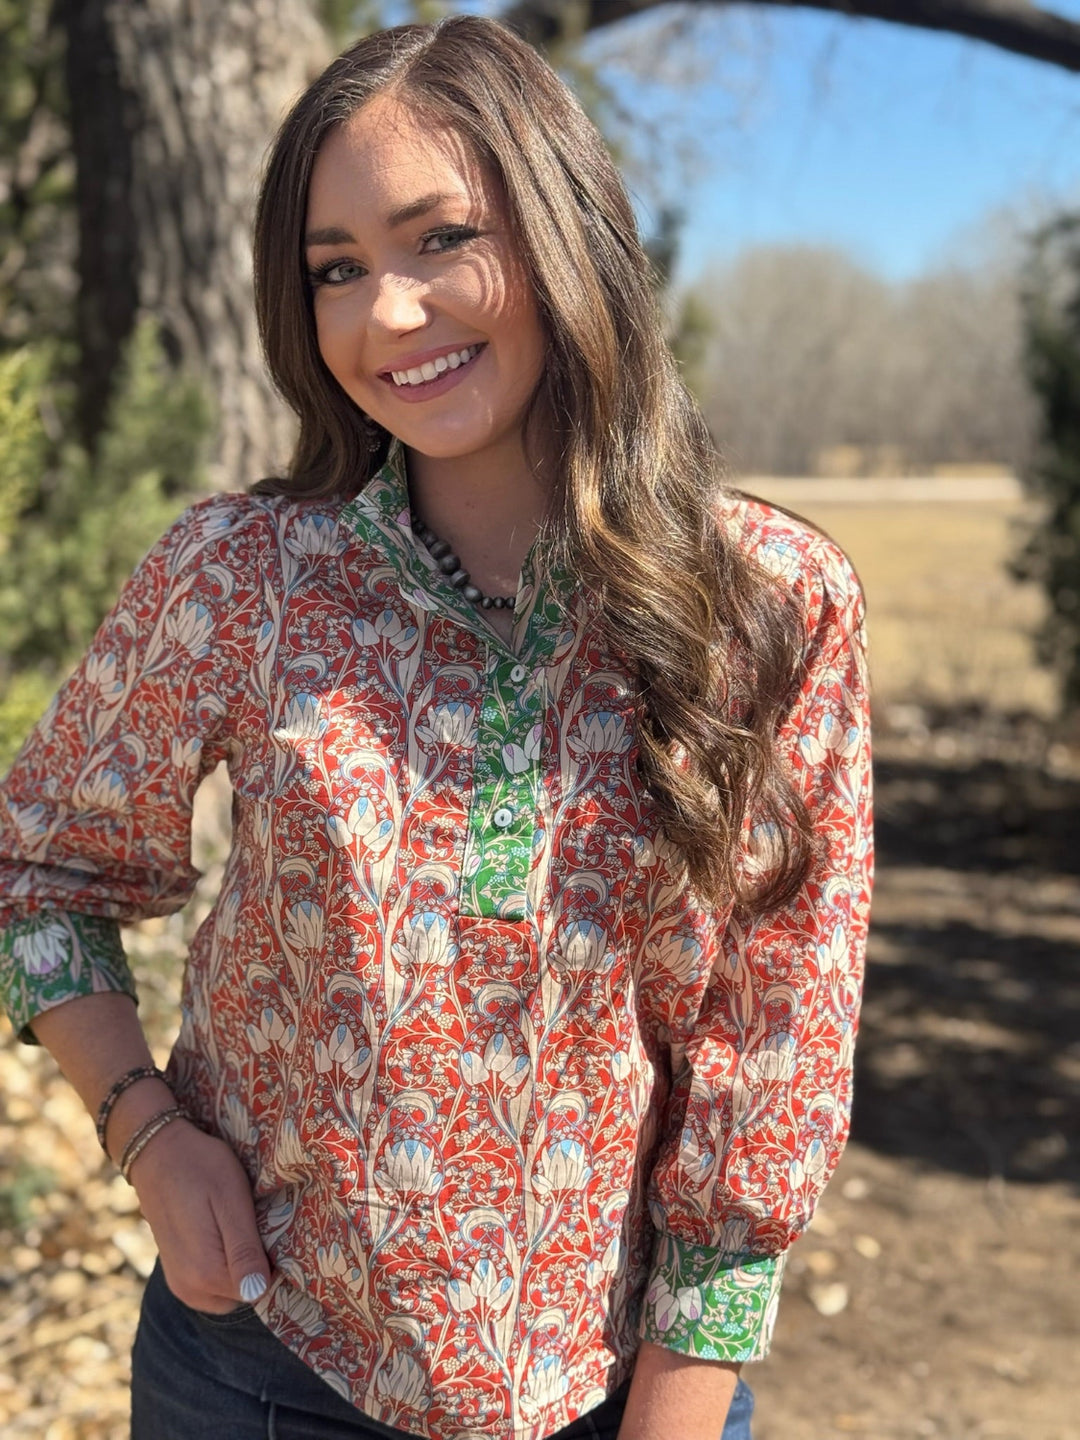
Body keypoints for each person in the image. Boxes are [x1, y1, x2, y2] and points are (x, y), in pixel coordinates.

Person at [0, 15, 872, 1440]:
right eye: (334, 268)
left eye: (439, 238)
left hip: (624, 1396)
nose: (385, 313)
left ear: (564, 229)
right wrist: (146, 1131)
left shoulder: (768, 610)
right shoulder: (240, 577)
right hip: (260, 1369)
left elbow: (771, 1050)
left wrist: (675, 1413)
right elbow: (38, 873)